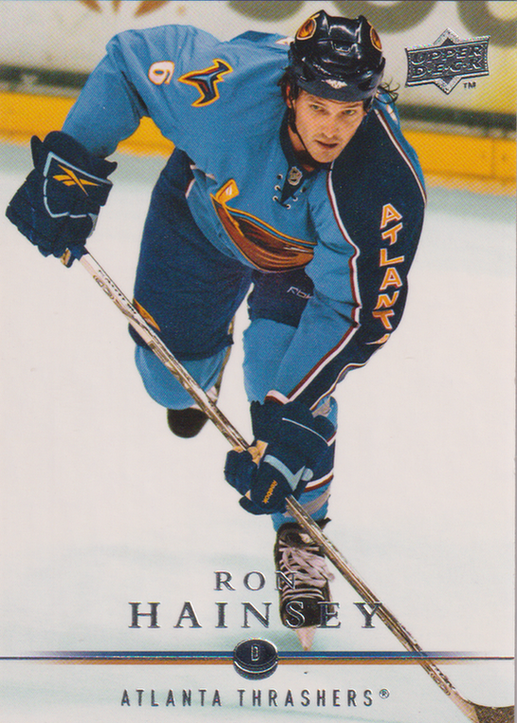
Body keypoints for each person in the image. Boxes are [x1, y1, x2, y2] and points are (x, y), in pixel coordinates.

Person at [6, 10, 426, 639]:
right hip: (202, 220)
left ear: (368, 105)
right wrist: (73, 164)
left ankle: (302, 537)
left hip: (306, 269)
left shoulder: (384, 183)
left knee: (282, 391)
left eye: (349, 111)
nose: (332, 128)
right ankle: (204, 365)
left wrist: (290, 422)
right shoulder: (226, 88)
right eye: (318, 107)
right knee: (169, 385)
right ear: (290, 92)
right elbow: (131, 60)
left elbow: (355, 314)